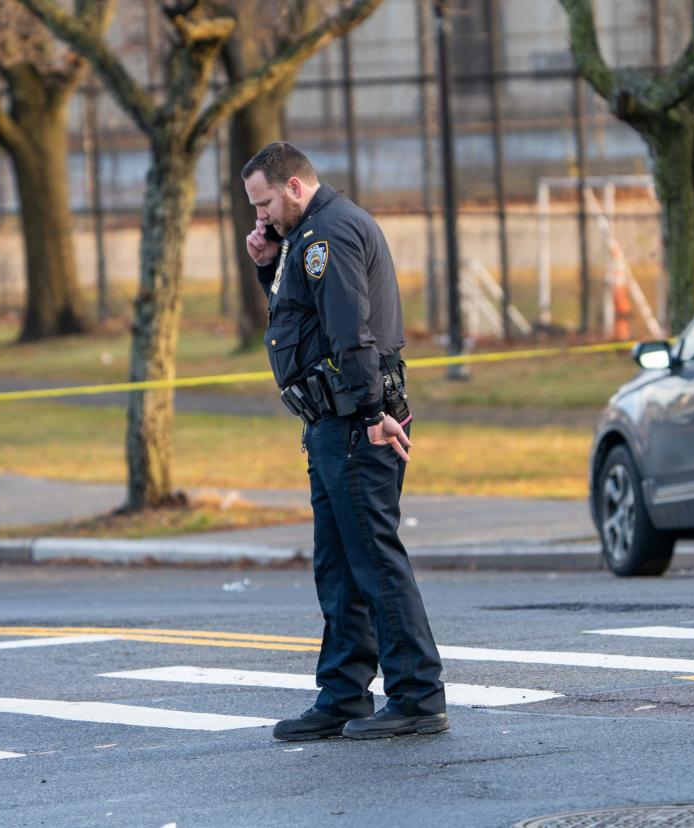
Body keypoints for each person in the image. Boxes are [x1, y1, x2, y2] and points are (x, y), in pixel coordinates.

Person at [242, 142, 448, 741]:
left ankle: (416, 694)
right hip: (333, 422)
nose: (260, 216)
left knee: (373, 560)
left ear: (295, 187)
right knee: (339, 564)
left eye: (265, 203)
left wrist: (370, 412)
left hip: (355, 421)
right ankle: (343, 693)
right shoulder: (307, 237)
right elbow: (302, 324)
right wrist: (265, 265)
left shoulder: (326, 236)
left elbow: (349, 330)